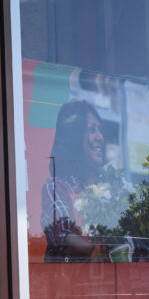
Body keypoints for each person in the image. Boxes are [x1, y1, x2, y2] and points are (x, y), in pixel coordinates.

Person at [40, 99, 107, 261]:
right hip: (72, 276)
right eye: (91, 130)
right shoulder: (58, 187)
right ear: (75, 138)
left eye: (100, 130)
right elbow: (67, 238)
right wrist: (107, 250)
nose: (100, 137)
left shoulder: (109, 186)